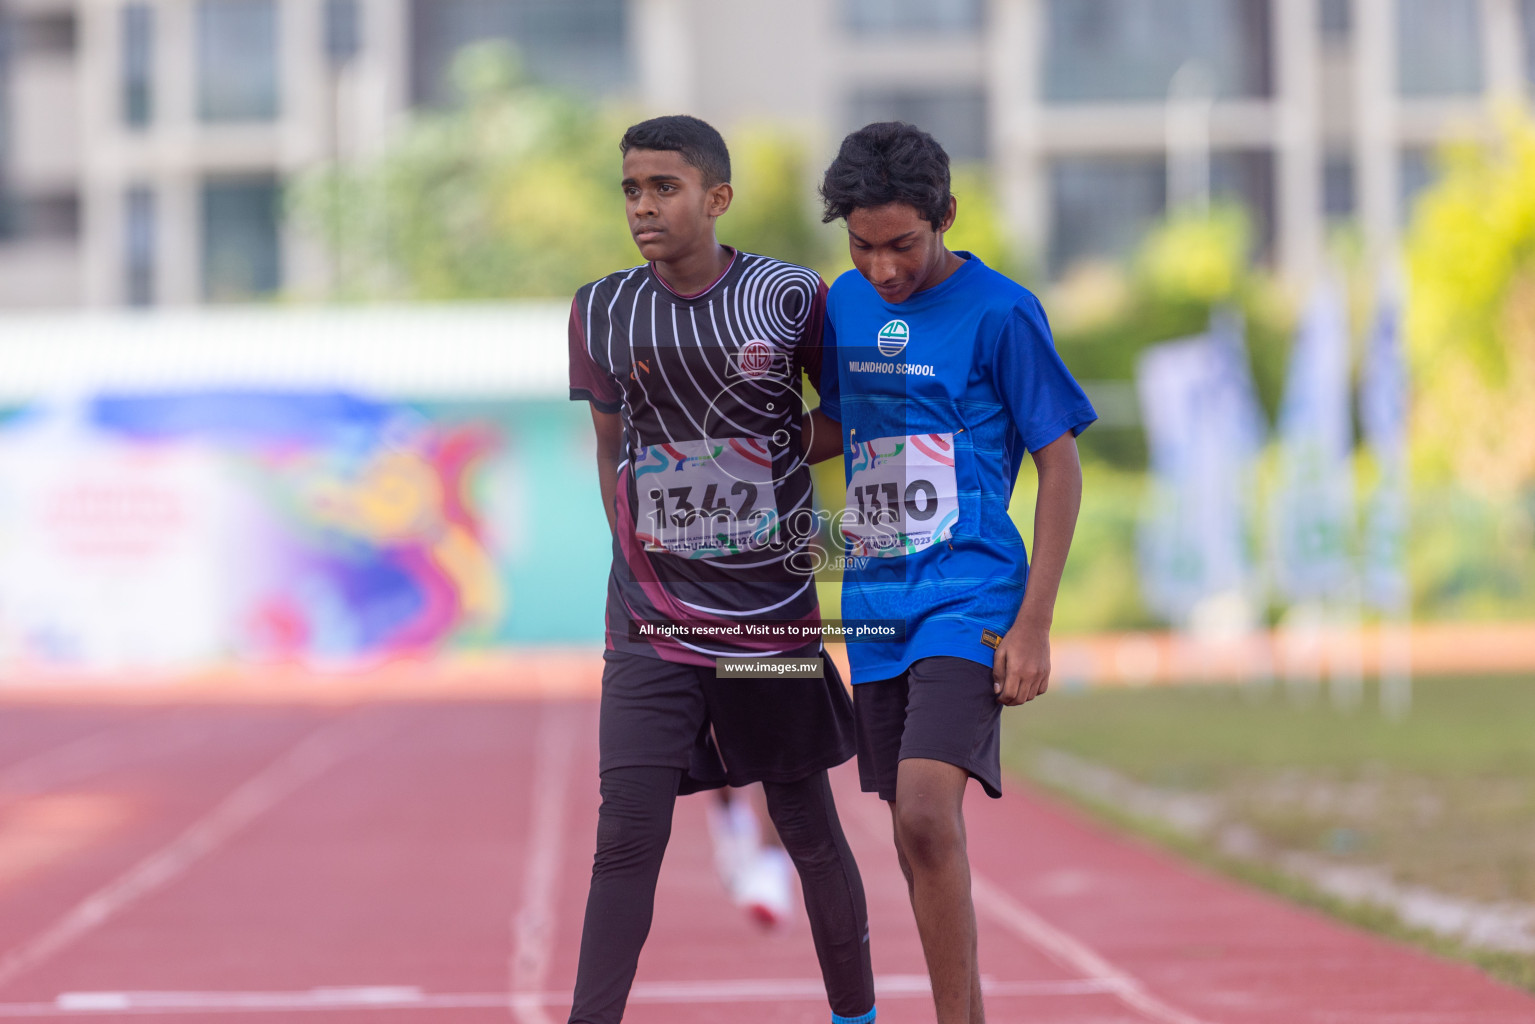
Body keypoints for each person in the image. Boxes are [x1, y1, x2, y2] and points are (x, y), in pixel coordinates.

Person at [566, 114, 876, 1024]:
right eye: (630, 188)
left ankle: (854, 1015)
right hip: (649, 617)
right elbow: (610, 445)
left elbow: (847, 416)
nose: (643, 206)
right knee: (626, 832)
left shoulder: (787, 296)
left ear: (717, 197)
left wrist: (763, 451)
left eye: (663, 187)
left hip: (768, 611)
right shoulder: (601, 310)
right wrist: (636, 555)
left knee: (808, 828)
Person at [809, 121, 1097, 1024]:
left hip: (968, 591)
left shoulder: (1001, 311)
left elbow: (1060, 462)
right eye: (862, 246)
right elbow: (834, 429)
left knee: (927, 813)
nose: (883, 267)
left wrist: (1035, 622)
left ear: (945, 218)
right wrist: (732, 436)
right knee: (909, 827)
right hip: (875, 596)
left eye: (902, 244)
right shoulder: (838, 306)